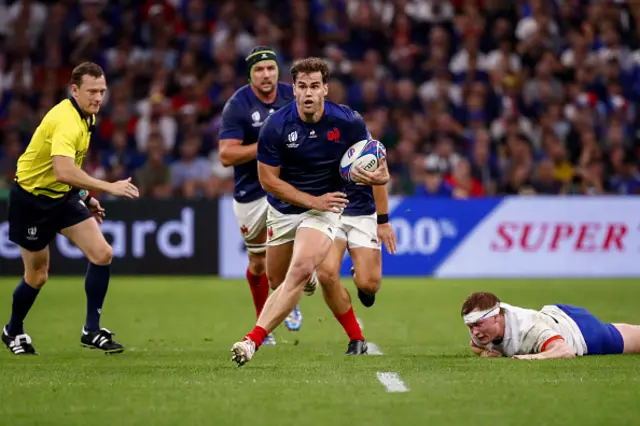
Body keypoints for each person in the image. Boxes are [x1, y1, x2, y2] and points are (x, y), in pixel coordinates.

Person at [231, 57, 389, 366]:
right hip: (284, 209)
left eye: (314, 86)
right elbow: (267, 181)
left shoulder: (348, 122)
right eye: (302, 86)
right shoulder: (275, 126)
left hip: (326, 208)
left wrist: (380, 175)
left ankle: (252, 341)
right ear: (295, 90)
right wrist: (308, 200)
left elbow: (374, 157)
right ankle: (308, 279)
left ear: (325, 90)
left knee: (301, 269)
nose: (308, 93)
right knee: (278, 279)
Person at [2, 62, 140, 355]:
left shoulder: (86, 116)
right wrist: (107, 187)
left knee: (102, 254)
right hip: (32, 200)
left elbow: (67, 173)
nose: (98, 98)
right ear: (74, 90)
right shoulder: (65, 119)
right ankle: (13, 330)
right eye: (92, 91)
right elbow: (63, 170)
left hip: (63, 197)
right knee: (37, 276)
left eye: (102, 91)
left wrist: (86, 197)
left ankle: (91, 330)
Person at [218, 46, 315, 344]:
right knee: (258, 264)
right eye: (259, 70)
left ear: (278, 71)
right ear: (250, 76)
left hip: (286, 186)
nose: (266, 74)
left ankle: (295, 284)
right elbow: (226, 154)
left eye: (270, 68)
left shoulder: (292, 94)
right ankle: (268, 317)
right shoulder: (238, 105)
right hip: (250, 192)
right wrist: (268, 144)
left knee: (298, 240)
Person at [461, 291, 640, 359]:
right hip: (555, 315)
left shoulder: (528, 328)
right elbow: (475, 346)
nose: (474, 332)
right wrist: (485, 353)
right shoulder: (481, 330)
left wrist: (530, 358)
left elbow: (565, 351)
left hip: (583, 333)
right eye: (470, 327)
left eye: (478, 325)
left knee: (629, 340)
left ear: (496, 317)